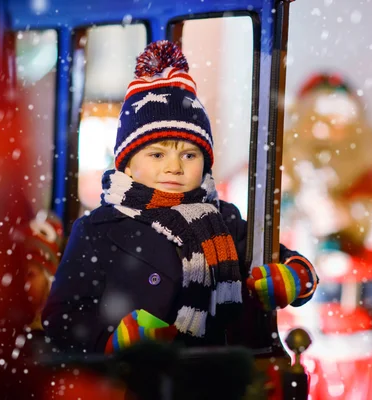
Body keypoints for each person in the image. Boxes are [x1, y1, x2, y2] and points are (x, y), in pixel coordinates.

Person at [42, 40, 318, 355]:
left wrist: (294, 277)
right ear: (128, 165)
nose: (173, 167)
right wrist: (114, 339)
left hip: (217, 375)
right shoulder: (96, 230)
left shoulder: (222, 219)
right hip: (132, 381)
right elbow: (60, 318)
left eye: (189, 155)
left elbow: (292, 264)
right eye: (157, 154)